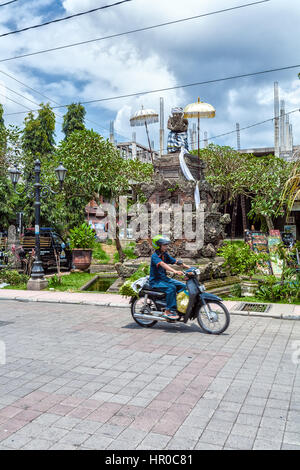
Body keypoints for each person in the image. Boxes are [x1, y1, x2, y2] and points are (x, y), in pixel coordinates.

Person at [149, 235, 190, 320]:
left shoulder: (164, 254)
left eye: (166, 245)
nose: (166, 247)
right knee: (171, 288)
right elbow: (163, 264)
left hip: (164, 279)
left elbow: (174, 261)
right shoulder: (155, 256)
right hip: (156, 281)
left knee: (183, 286)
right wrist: (174, 271)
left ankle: (177, 306)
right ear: (158, 245)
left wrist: (188, 267)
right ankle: (168, 311)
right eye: (164, 245)